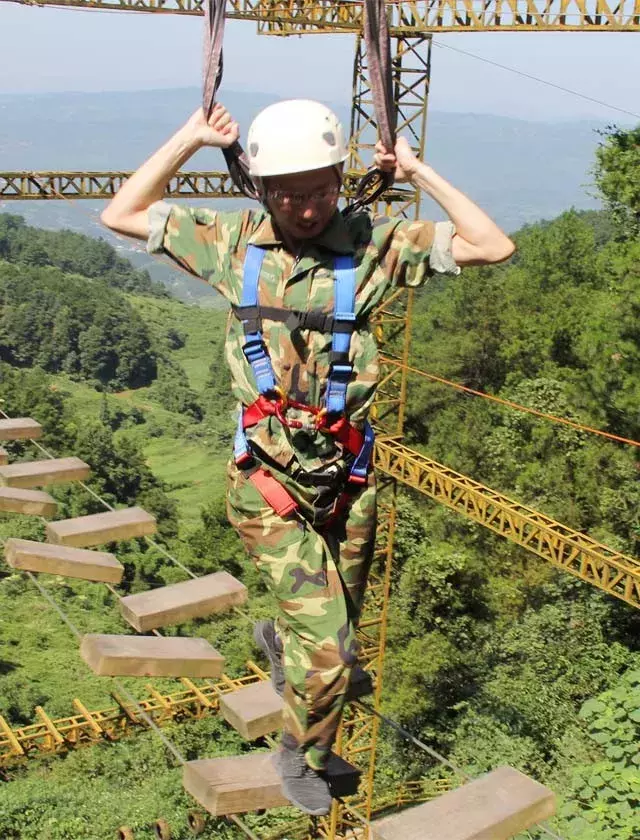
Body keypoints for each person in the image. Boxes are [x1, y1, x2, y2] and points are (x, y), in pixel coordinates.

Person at [101, 99, 514, 817]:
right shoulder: (233, 244)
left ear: (339, 180)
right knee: (332, 655)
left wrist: (416, 170)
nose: (305, 206)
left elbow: (491, 244)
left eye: (320, 188)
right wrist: (192, 138)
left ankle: (285, 637)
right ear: (260, 188)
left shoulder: (371, 245)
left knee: (336, 646)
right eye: (288, 192)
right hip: (268, 486)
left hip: (350, 484)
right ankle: (302, 752)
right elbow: (122, 213)